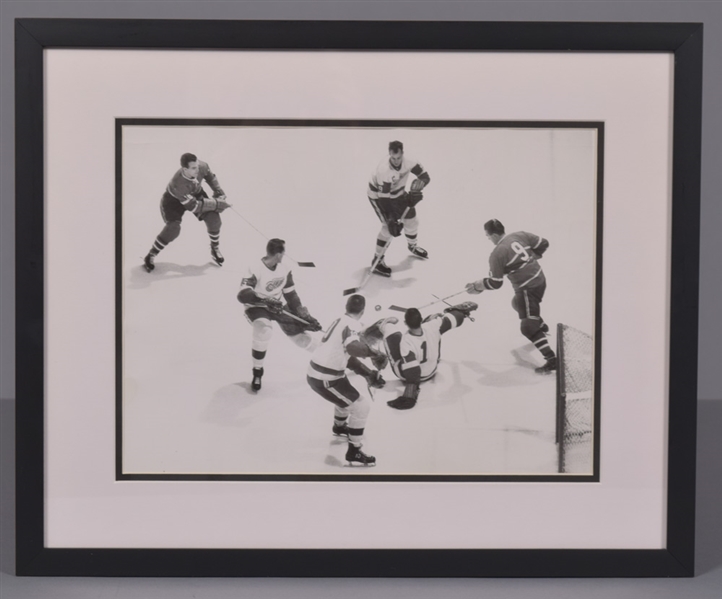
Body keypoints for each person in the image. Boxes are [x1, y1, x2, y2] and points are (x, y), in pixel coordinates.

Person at [465, 219, 556, 374]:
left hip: (527, 288)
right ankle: (540, 324)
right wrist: (527, 260)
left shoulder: (497, 253)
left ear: (493, 235)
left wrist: (478, 285)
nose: (489, 240)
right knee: (517, 304)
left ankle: (551, 359)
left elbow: (496, 283)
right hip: (540, 279)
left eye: (488, 237)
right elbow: (544, 243)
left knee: (527, 327)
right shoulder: (520, 235)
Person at [306, 294, 388, 466]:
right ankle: (354, 451)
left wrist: (367, 372)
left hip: (320, 373)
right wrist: (375, 353)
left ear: (346, 307)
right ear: (363, 311)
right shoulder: (352, 325)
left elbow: (346, 355)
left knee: (346, 397)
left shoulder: (339, 321)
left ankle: (339, 427)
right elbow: (353, 347)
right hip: (325, 379)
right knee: (361, 406)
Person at [236, 238, 322, 391]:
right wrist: (264, 299)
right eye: (283, 253)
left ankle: (328, 357)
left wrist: (302, 314)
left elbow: (291, 294)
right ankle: (257, 371)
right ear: (278, 254)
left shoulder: (284, 268)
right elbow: (242, 295)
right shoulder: (255, 268)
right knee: (264, 331)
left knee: (302, 340)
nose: (284, 256)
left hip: (277, 305)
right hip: (257, 307)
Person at [379, 302, 478, 410]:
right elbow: (456, 319)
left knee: (391, 332)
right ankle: (429, 319)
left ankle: (384, 325)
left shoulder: (406, 341)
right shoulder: (433, 326)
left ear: (405, 323)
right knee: (438, 328)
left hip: (410, 376)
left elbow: (413, 371)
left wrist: (409, 396)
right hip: (431, 370)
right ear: (421, 320)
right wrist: (459, 312)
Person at [143, 153, 231, 272]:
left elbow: (210, 177)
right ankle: (151, 254)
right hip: (173, 202)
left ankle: (214, 248)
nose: (197, 170)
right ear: (184, 169)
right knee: (174, 229)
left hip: (194, 193)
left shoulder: (201, 166)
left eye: (198, 166)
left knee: (214, 220)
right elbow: (194, 207)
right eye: (194, 168)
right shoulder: (177, 184)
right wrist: (216, 204)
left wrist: (219, 192)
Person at [367, 140, 431, 277]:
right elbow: (384, 199)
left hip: (398, 193)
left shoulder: (410, 161)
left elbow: (425, 176)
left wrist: (419, 185)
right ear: (389, 154)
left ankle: (412, 246)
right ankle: (377, 261)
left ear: (403, 153)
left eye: (398, 157)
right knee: (387, 229)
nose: (396, 161)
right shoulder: (383, 170)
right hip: (379, 197)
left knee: (413, 221)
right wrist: (391, 220)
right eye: (393, 158)